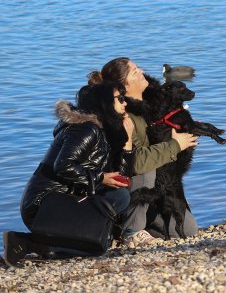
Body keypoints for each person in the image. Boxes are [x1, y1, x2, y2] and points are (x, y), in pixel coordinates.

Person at [3, 81, 134, 267]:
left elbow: (122, 178)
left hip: (65, 201)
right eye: (120, 98)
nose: (125, 103)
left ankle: (68, 243)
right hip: (43, 205)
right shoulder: (86, 129)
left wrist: (127, 143)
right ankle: (23, 242)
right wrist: (100, 178)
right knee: (97, 242)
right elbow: (63, 165)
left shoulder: (106, 131)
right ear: (105, 102)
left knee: (118, 197)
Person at [93, 58, 199, 243]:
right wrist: (175, 145)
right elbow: (136, 161)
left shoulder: (157, 102)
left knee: (187, 230)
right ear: (125, 84)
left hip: (158, 184)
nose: (141, 71)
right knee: (145, 168)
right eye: (135, 71)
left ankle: (141, 224)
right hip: (123, 184)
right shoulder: (123, 115)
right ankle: (130, 231)